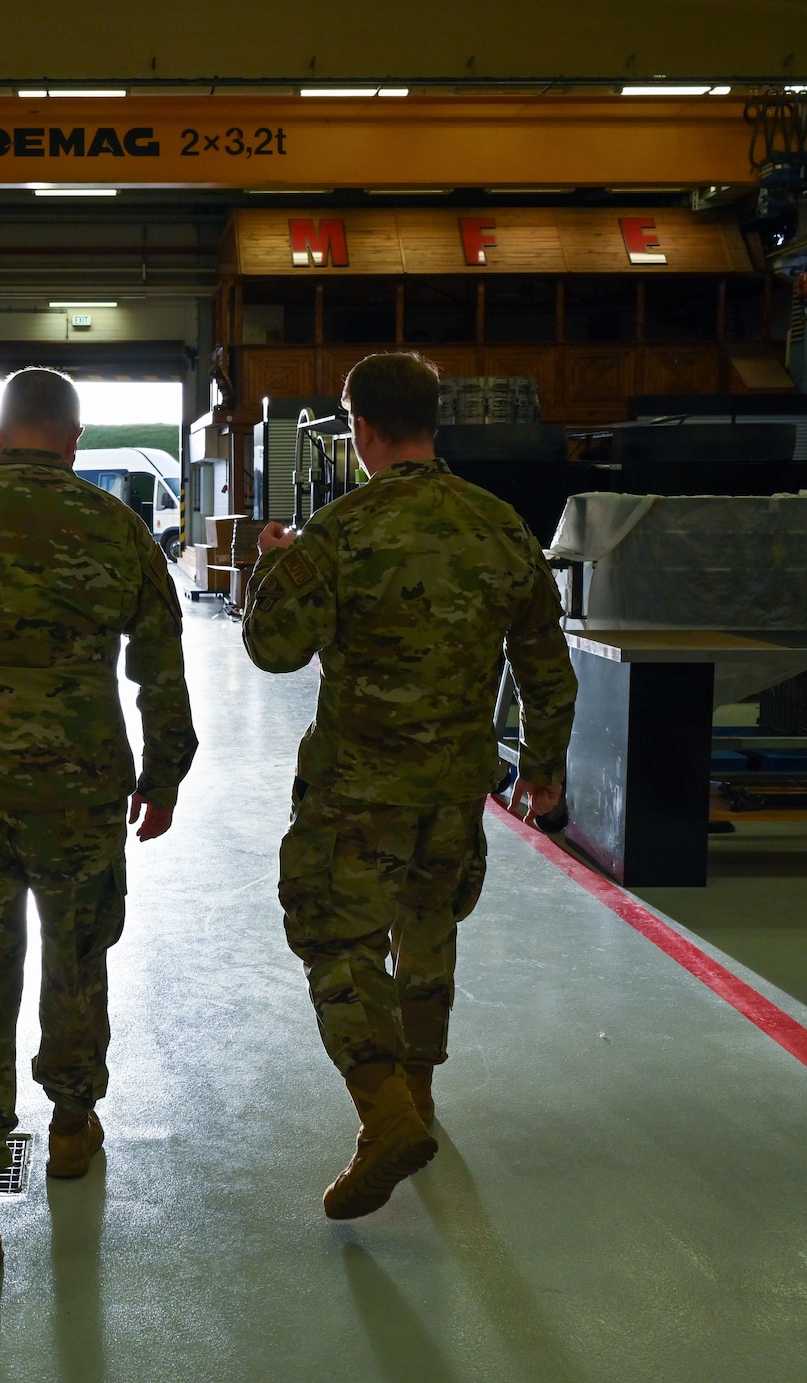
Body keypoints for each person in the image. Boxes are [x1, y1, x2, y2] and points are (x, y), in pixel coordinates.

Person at [0, 367, 197, 1296]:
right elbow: (161, 658)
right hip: (82, 785)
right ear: (73, 437)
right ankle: (68, 1125)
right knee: (76, 950)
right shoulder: (113, 525)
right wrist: (163, 773)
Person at [241, 351, 576, 1220]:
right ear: (433, 423)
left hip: (359, 786)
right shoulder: (500, 526)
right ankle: (420, 1097)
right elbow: (547, 663)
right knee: (427, 931)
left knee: (334, 940)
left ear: (360, 430)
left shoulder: (343, 531)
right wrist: (541, 768)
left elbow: (272, 648)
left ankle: (385, 1116)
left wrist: (273, 564)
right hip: (453, 786)